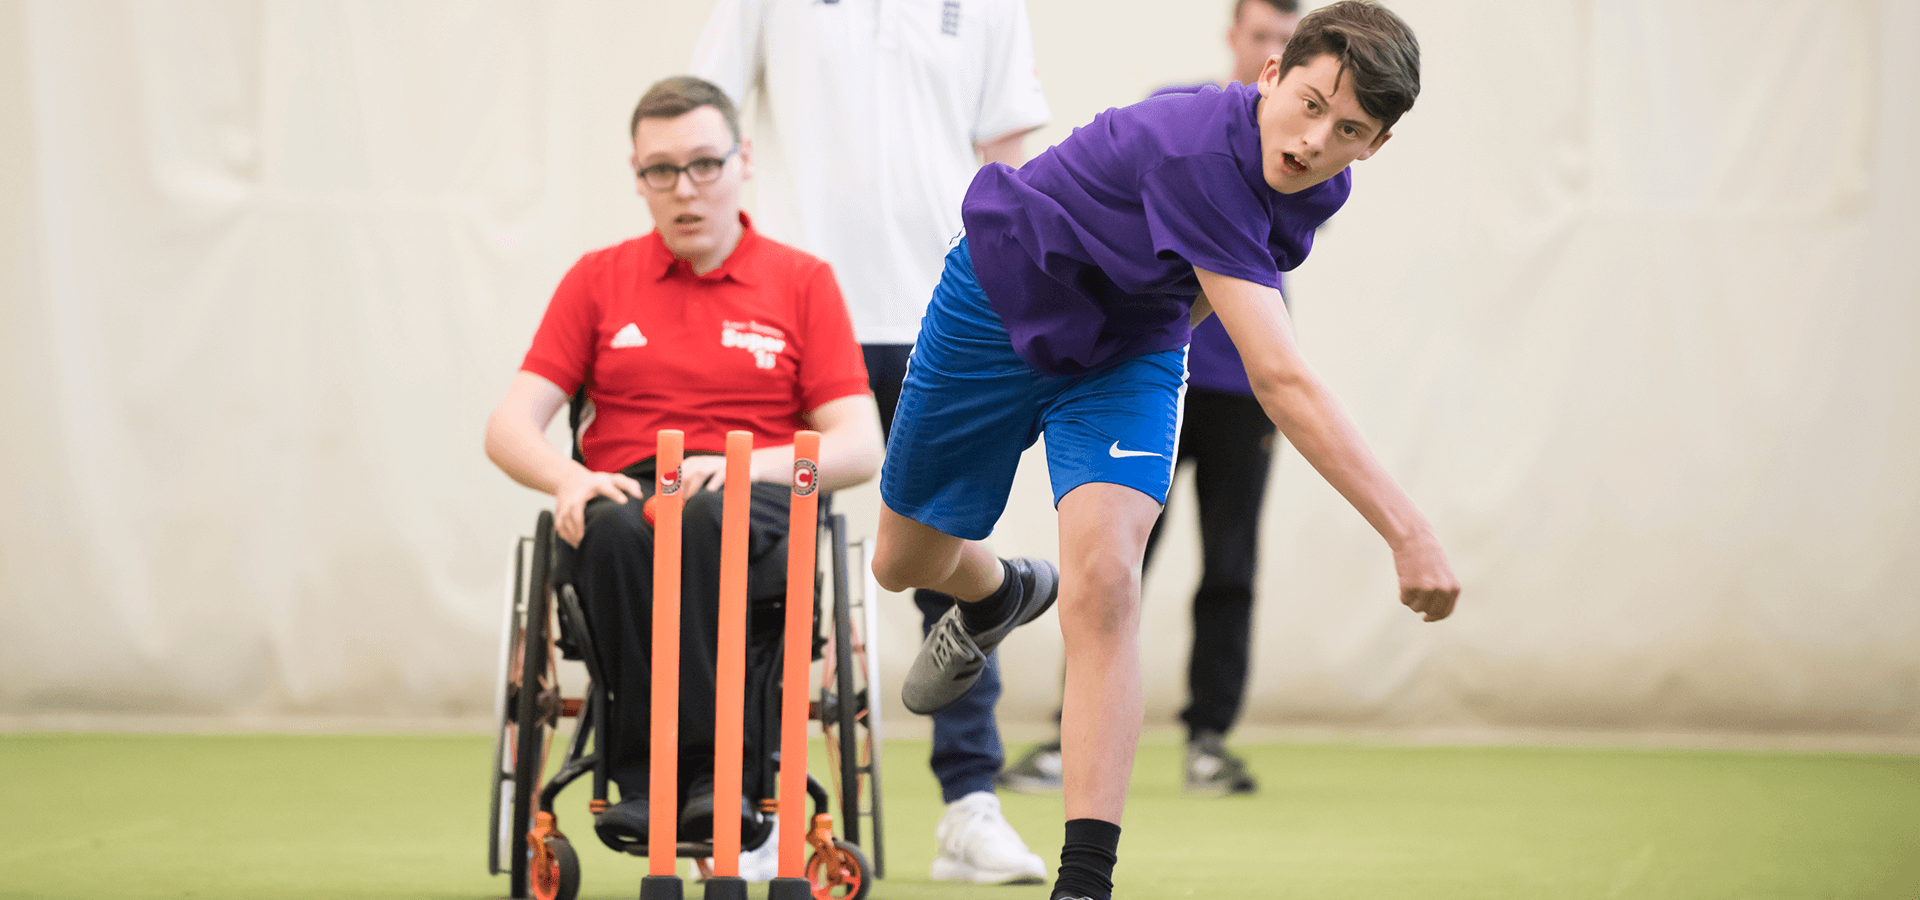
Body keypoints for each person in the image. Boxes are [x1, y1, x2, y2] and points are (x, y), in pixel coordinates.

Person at [867, 4, 1461, 900]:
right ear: (1269, 75)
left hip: (1129, 351)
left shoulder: (1319, 185)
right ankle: (998, 593)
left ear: (1375, 146)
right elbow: (1279, 377)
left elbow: (1205, 291)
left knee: (1108, 582)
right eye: (1309, 105)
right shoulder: (1199, 154)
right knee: (901, 563)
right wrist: (1408, 531)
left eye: (1349, 131)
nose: (1314, 142)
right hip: (996, 303)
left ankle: (1084, 882)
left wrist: (1147, 349)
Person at [690, 0, 1054, 885]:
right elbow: (707, 113)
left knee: (948, 563)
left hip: (947, 312)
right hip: (798, 314)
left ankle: (971, 805)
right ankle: (765, 802)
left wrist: (1010, 301)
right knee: (771, 567)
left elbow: (1006, 161)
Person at [482, 75, 884, 866]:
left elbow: (860, 445)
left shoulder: (803, 281)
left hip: (757, 492)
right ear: (637, 177)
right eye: (661, 170)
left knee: (702, 517)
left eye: (704, 164)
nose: (685, 189)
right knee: (619, 529)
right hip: (627, 490)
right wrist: (566, 478)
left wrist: (744, 467)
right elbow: (508, 426)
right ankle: (643, 784)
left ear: (743, 161)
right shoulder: (597, 279)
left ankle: (715, 778)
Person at [998, 0, 1304, 799]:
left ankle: (1208, 740)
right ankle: (1070, 736)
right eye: (1262, 35)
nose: (1269, 48)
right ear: (1239, 40)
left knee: (1230, 563)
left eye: (1285, 36)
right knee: (1112, 561)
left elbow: (1262, 249)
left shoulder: (1304, 151)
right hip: (1152, 375)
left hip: (1244, 387)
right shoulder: (1182, 114)